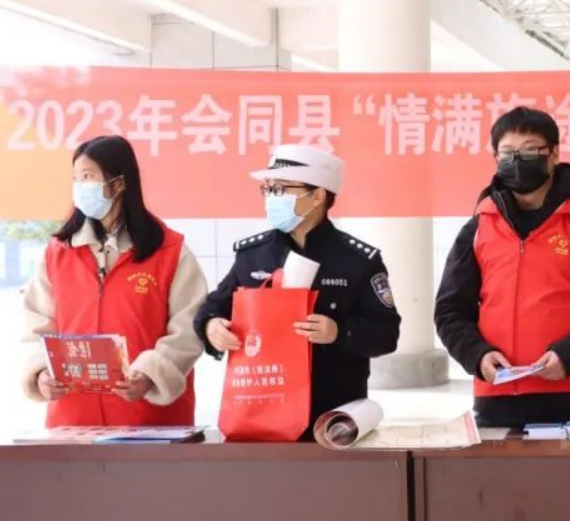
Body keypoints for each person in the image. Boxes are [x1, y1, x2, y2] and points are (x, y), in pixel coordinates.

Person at [435, 106, 570, 429]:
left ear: (554, 154)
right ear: (496, 158)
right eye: (508, 153)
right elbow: (450, 310)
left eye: (530, 150)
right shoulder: (479, 227)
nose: (518, 161)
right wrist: (477, 355)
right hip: (499, 400)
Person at [196, 144, 402, 433]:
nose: (272, 198)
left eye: (281, 189)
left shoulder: (358, 260)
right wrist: (211, 327)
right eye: (268, 189)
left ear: (317, 196)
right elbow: (213, 308)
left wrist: (339, 332)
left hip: (332, 416)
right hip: (261, 410)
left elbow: (387, 333)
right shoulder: (253, 255)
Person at [22, 135, 207, 426]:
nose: (80, 187)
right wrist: (42, 372)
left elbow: (189, 326)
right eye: (76, 178)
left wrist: (151, 373)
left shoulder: (169, 251)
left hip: (148, 417)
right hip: (74, 418)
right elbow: (36, 324)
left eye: (88, 177)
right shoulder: (57, 253)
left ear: (119, 183)